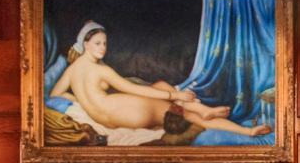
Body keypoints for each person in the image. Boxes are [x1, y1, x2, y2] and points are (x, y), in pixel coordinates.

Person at [50, 20, 271, 138]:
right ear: (85, 43)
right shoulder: (101, 70)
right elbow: (133, 89)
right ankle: (246, 130)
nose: (103, 48)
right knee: (190, 115)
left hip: (112, 114)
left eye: (105, 43)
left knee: (160, 85)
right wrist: (174, 95)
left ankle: (199, 107)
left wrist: (84, 103)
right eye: (98, 43)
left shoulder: (72, 69)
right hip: (129, 113)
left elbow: (56, 95)